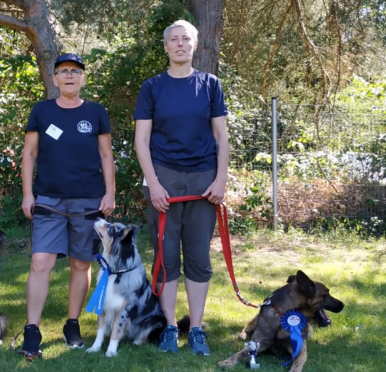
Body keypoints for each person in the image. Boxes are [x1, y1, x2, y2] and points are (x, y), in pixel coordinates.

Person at [133, 20, 229, 356]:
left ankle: (197, 328)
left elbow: (221, 136)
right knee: (165, 256)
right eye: (173, 39)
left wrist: (220, 178)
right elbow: (141, 141)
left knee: (199, 256)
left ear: (195, 44)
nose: (179, 44)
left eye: (185, 38)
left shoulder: (210, 85)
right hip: (164, 178)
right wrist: (154, 184)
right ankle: (172, 327)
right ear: (165, 46)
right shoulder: (152, 87)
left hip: (204, 178)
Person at [19, 53, 115, 358]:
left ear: (83, 77)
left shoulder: (96, 112)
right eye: (63, 71)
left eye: (75, 71)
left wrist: (110, 193)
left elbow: (105, 155)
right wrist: (27, 193)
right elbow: (29, 154)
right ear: (55, 78)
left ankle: (71, 324)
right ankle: (32, 329)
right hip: (48, 198)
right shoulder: (42, 111)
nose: (69, 76)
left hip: (88, 199)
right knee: (40, 263)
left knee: (80, 264)